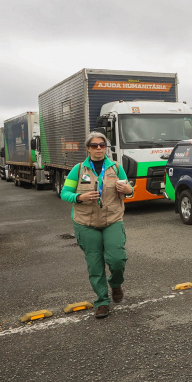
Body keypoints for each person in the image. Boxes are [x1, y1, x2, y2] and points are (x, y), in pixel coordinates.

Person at [60, 132, 134, 319]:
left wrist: (128, 189)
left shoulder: (116, 167)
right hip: (86, 223)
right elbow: (65, 193)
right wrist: (79, 197)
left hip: (113, 220)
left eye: (102, 145)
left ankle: (115, 283)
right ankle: (102, 301)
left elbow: (129, 189)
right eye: (94, 145)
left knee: (117, 259)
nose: (99, 148)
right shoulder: (78, 169)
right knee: (95, 265)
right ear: (88, 148)